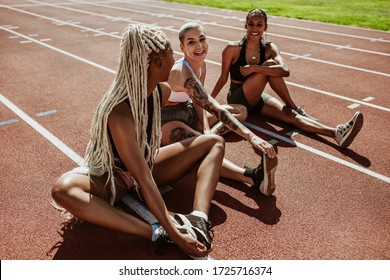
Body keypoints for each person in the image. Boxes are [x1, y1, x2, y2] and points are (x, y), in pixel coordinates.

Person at [51, 24, 228, 258]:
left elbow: (201, 99)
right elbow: (142, 178)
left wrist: (247, 134)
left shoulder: (159, 91)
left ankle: (199, 218)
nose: (175, 58)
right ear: (157, 63)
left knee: (213, 141)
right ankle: (154, 233)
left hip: (148, 163)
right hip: (116, 178)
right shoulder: (119, 111)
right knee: (62, 189)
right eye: (170, 53)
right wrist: (172, 232)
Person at [211, 8, 364, 149]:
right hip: (238, 97)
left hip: (257, 99)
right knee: (270, 66)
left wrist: (254, 68)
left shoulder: (270, 48)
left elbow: (285, 71)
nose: (254, 28)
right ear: (245, 26)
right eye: (251, 24)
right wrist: (207, 103)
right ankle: (295, 107)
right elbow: (223, 78)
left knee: (291, 116)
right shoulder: (232, 49)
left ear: (265, 27)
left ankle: (336, 133)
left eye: (259, 24)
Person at [161, 22, 278, 196]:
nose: (200, 46)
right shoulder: (180, 72)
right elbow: (214, 107)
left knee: (241, 111)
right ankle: (253, 177)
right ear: (182, 47)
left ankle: (207, 137)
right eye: (191, 42)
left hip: (187, 110)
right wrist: (250, 136)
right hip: (166, 120)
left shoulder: (201, 65)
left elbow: (199, 101)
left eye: (202, 39)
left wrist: (207, 129)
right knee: (207, 148)